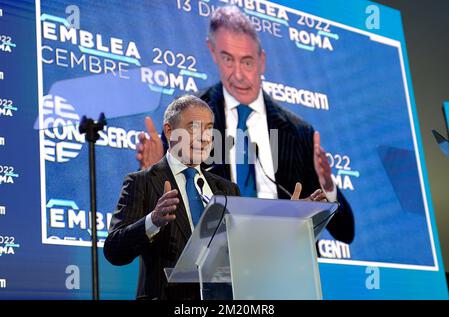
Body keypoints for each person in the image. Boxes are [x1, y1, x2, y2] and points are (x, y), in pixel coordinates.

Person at [136, 6, 354, 244]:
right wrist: (150, 175)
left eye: (247, 62)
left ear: (262, 61)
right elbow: (155, 223)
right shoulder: (186, 121)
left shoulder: (299, 132)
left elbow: (346, 232)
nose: (238, 74)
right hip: (212, 264)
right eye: (228, 59)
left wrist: (328, 187)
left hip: (286, 260)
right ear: (212, 51)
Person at [103, 95, 241, 300]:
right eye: (194, 128)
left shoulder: (227, 189)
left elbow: (242, 253)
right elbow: (114, 250)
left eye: (209, 128)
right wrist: (153, 221)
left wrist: (288, 222)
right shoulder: (142, 182)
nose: (204, 138)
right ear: (169, 131)